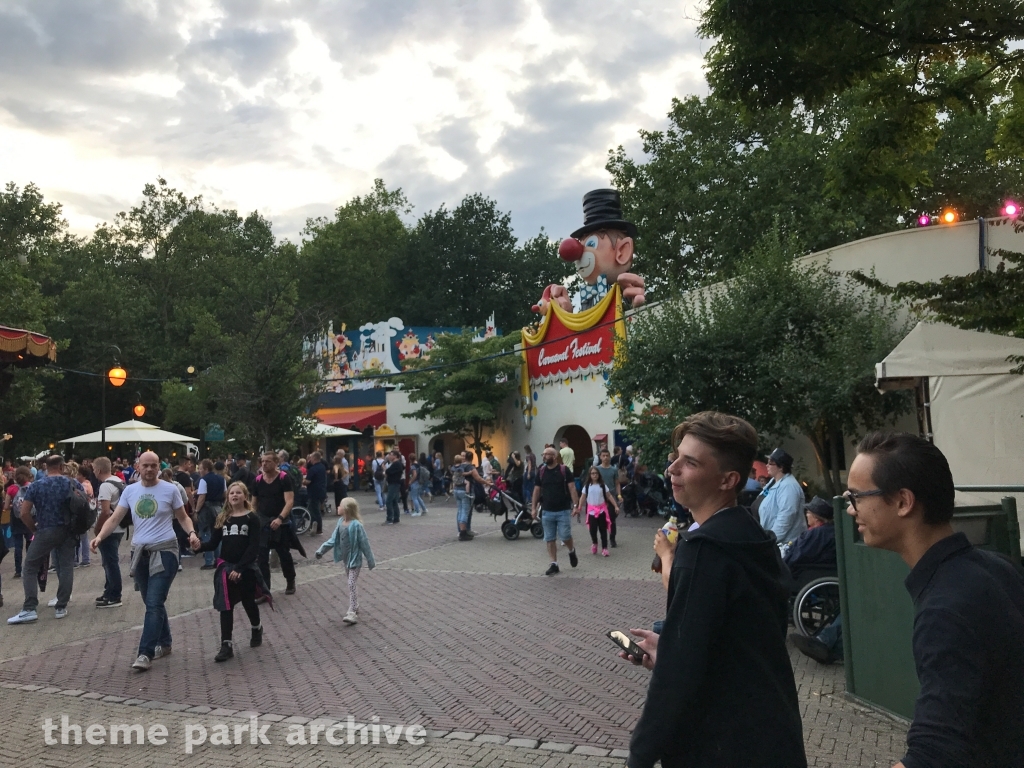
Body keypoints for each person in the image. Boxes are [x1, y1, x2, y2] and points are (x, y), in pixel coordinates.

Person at [623, 412, 806, 768]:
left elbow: (675, 682)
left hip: (722, 744)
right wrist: (674, 650)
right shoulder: (754, 537)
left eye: (689, 462)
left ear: (728, 480)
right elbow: (743, 643)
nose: (672, 469)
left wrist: (640, 756)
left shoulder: (703, 551)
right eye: (676, 457)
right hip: (771, 733)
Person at [846, 432, 1024, 768]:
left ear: (903, 502)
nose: (850, 509)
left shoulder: (945, 609)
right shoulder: (997, 568)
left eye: (856, 496)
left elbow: (935, 754)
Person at [90, 451, 197, 671]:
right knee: (151, 601)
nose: (149, 469)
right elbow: (115, 517)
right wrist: (99, 537)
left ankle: (145, 653)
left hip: (165, 551)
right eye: (145, 465)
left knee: (154, 602)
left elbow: (182, 516)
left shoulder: (170, 489)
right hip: (140, 553)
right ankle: (165, 642)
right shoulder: (130, 490)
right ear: (138, 467)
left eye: (153, 465)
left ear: (159, 467)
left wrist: (192, 533)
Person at [194, 481, 269, 662]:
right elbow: (213, 543)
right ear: (227, 497)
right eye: (231, 493)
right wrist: (198, 546)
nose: (234, 496)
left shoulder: (252, 518)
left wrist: (240, 568)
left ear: (245, 496)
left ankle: (256, 627)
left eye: (238, 493)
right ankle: (226, 644)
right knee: (225, 606)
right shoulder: (223, 518)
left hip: (246, 568)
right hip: (225, 568)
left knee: (248, 602)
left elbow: (253, 548)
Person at [7, 455, 84, 624]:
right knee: (65, 567)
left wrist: (33, 529)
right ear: (62, 466)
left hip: (46, 529)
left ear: (45, 467)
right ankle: (61, 606)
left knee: (30, 566)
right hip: (68, 530)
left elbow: (24, 512)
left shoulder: (37, 486)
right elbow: (84, 503)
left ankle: (30, 607)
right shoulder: (71, 483)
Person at [315, 497, 375, 625]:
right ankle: (356, 605)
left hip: (355, 560)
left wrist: (370, 560)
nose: (337, 507)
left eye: (340, 505)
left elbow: (364, 543)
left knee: (351, 583)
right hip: (346, 560)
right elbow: (333, 540)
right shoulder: (340, 522)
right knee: (350, 582)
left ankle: (352, 611)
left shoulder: (356, 525)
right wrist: (321, 550)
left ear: (346, 509)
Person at [531, 445, 581, 576]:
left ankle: (571, 550)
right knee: (549, 538)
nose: (544, 456)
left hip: (563, 510)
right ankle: (554, 563)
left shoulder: (564, 471)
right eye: (543, 454)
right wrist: (533, 508)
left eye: (546, 454)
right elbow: (536, 490)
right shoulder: (541, 471)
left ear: (554, 456)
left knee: (565, 536)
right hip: (547, 510)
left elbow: (572, 489)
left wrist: (576, 506)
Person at [253, 452, 297, 594]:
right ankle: (265, 589)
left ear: (276, 462)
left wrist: (280, 518)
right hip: (263, 522)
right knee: (261, 557)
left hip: (281, 522)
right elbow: (254, 502)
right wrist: (253, 519)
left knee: (284, 554)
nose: (264, 464)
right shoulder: (258, 480)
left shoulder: (284, 478)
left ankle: (290, 580)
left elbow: (289, 501)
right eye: (262, 461)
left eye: (268, 461)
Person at [756, 447, 807, 553]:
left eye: (771, 463)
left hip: (785, 547)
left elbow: (785, 517)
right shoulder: (773, 482)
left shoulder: (789, 486)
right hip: (773, 543)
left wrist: (769, 541)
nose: (767, 465)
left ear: (781, 467)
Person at [92, 457, 125, 608]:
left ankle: (114, 595)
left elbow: (105, 511)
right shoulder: (118, 481)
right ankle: (109, 590)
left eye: (93, 469)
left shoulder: (105, 486)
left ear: (98, 470)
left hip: (109, 529)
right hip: (120, 527)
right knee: (109, 561)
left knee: (110, 562)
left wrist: (98, 529)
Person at [577, 465, 619, 556]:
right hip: (591, 512)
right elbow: (582, 497)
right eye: (592, 473)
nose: (594, 475)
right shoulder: (587, 486)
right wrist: (579, 507)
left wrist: (615, 506)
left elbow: (609, 496)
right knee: (593, 529)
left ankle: (604, 548)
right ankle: (594, 543)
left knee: (603, 530)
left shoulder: (602, 486)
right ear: (590, 475)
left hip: (602, 511)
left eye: (596, 473)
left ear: (599, 475)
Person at [194, 458, 226, 570]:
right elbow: (225, 494)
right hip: (219, 507)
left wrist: (196, 511)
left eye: (201, 468)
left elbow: (202, 496)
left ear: (206, 469)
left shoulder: (204, 480)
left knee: (206, 533)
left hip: (207, 509)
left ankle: (208, 561)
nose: (199, 471)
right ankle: (219, 560)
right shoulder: (222, 479)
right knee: (218, 533)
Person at [4, 466, 32, 579]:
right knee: (31, 543)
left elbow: (6, 507)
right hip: (29, 518)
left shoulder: (11, 489)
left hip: (16, 520)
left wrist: (13, 505)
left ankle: (18, 570)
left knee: (18, 545)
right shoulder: (31, 487)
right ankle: (30, 567)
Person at [451, 452, 486, 541]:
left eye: (463, 455)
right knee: (465, 512)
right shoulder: (469, 467)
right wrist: (487, 483)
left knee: (460, 511)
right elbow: (478, 478)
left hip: (457, 490)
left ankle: (463, 530)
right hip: (466, 492)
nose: (462, 457)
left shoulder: (456, 467)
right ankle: (463, 532)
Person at [595, 448, 621, 548]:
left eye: (607, 456)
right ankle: (603, 539)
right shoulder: (597, 469)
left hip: (612, 496)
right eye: (603, 456)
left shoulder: (613, 469)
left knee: (612, 519)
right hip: (600, 497)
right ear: (600, 457)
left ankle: (612, 538)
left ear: (610, 457)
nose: (605, 458)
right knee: (601, 520)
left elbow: (617, 483)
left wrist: (619, 495)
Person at [303, 451, 327, 535]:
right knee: (317, 510)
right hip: (321, 490)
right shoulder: (322, 467)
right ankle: (318, 528)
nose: (310, 460)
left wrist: (302, 481)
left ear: (314, 458)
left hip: (313, 491)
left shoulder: (313, 469)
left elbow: (308, 481)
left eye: (311, 458)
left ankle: (316, 528)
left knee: (313, 510)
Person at [383, 451, 404, 525]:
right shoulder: (395, 464)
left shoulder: (396, 464)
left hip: (394, 484)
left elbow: (388, 472)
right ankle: (396, 518)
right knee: (394, 501)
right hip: (393, 483)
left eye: (390, 455)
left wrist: (384, 468)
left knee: (389, 501)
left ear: (395, 456)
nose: (389, 456)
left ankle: (389, 518)